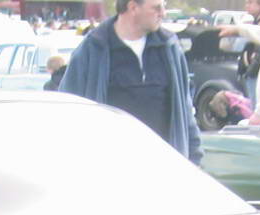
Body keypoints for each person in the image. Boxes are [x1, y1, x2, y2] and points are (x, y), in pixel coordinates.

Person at [59, 0, 201, 163]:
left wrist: (195, 158)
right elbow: (69, 112)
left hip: (164, 171)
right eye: (156, 8)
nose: (163, 13)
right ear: (133, 7)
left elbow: (185, 110)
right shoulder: (93, 49)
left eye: (163, 6)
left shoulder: (169, 48)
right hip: (111, 170)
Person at [233, 0, 260, 104]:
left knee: (256, 105)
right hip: (257, 73)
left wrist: (250, 72)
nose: (246, 6)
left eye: (250, 2)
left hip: (258, 75)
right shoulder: (257, 22)